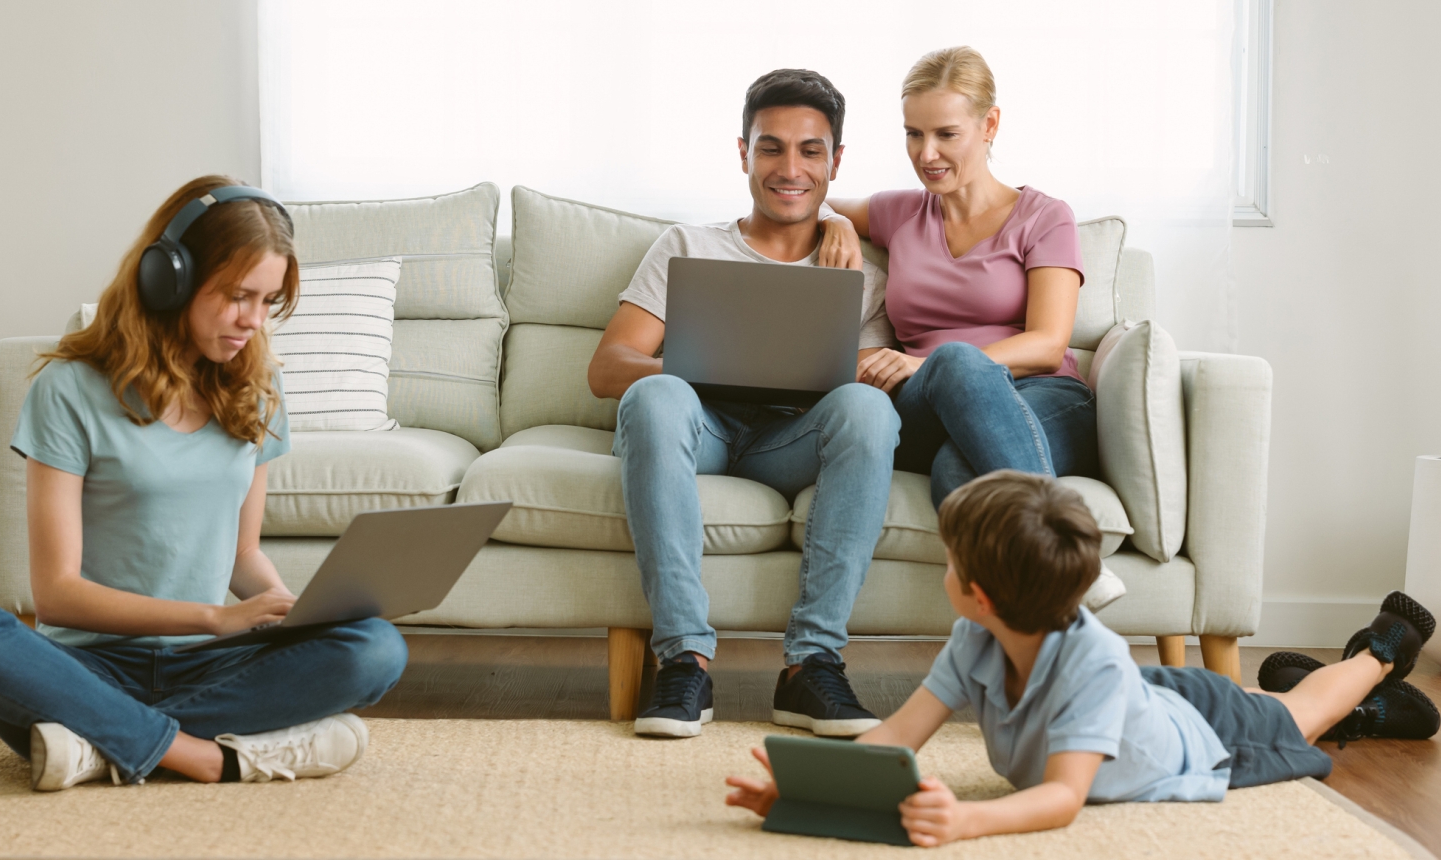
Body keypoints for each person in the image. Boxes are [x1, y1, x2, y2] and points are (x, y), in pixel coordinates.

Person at [0, 176, 408, 791]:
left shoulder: (259, 393)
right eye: (237, 296)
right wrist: (214, 619)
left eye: (267, 301)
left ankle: (98, 746)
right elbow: (57, 593)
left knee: (377, 648)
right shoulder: (67, 391)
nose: (252, 321)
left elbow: (242, 553)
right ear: (168, 278)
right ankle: (210, 755)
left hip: (207, 667)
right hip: (88, 664)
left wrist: (283, 610)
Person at [726, 470, 1440, 847]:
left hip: (1200, 732)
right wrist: (809, 789)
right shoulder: (975, 637)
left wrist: (967, 821)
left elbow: (1064, 799)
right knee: (1294, 709)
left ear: (977, 593)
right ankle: (1370, 711)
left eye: (946, 563)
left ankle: (1379, 653)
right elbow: (897, 739)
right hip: (1137, 701)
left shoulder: (1089, 665)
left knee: (1298, 715)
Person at [587, 69, 901, 739]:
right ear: (742, 153)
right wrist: (712, 364)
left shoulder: (862, 270)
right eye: (771, 147)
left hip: (791, 442)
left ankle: (812, 665)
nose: (790, 168)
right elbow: (608, 367)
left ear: (836, 162)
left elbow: (870, 382)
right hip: (696, 431)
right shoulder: (687, 246)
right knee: (657, 394)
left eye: (810, 150)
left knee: (871, 412)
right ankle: (683, 660)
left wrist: (826, 341)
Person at [819, 47, 1097, 509]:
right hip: (925, 407)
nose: (926, 154)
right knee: (952, 363)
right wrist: (840, 224)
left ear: (989, 125)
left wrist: (928, 363)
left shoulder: (1045, 217)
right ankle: (1077, 566)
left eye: (947, 134)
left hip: (1043, 397)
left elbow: (1049, 344)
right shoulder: (901, 212)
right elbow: (816, 199)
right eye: (914, 134)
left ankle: (1043, 569)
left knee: (955, 471)